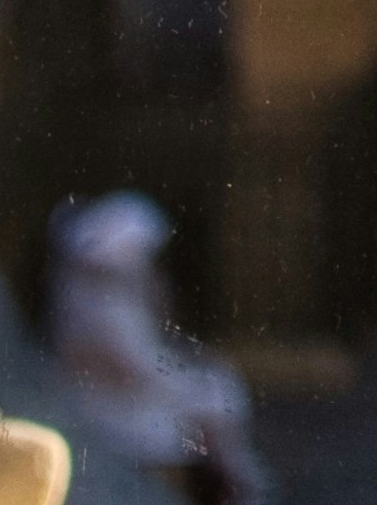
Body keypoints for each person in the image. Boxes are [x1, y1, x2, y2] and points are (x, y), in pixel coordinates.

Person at [41, 186, 268, 505]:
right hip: (113, 408)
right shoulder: (101, 308)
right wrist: (192, 385)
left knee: (217, 395)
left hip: (128, 395)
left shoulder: (107, 297)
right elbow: (140, 368)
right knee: (215, 404)